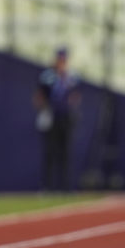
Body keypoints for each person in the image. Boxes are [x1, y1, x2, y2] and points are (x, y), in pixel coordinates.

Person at [33, 47, 80, 191]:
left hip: (65, 117)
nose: (61, 62)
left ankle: (65, 187)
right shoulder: (48, 76)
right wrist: (43, 109)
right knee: (50, 152)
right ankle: (47, 186)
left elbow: (76, 96)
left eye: (63, 60)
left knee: (65, 152)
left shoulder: (71, 77)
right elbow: (39, 95)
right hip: (51, 115)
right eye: (60, 59)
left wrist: (71, 106)